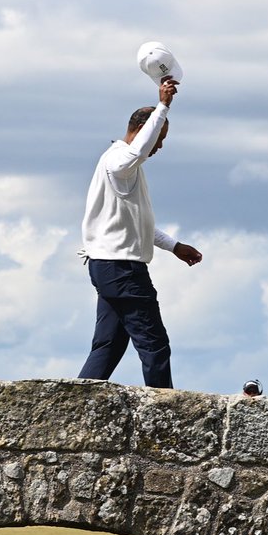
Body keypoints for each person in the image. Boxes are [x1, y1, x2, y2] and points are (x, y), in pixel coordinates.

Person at [76, 77, 202, 388]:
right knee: (154, 343)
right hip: (121, 269)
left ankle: (77, 403)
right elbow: (139, 150)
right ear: (145, 130)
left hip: (107, 265)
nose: (159, 145)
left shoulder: (124, 168)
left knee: (109, 345)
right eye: (159, 137)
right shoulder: (121, 161)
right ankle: (165, 415)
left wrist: (174, 246)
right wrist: (163, 105)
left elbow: (138, 225)